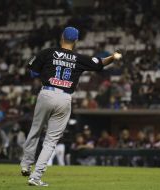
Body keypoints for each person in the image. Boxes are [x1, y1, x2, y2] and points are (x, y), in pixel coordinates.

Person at [20, 26, 122, 186]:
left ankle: (26, 164)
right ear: (76, 41)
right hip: (64, 98)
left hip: (46, 92)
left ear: (62, 37)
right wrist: (113, 57)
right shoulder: (79, 58)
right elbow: (100, 63)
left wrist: (49, 74)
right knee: (51, 140)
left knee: (35, 130)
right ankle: (35, 177)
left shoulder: (47, 52)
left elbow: (32, 71)